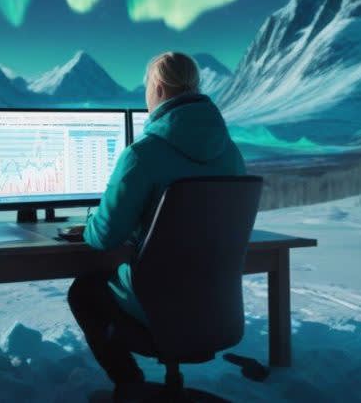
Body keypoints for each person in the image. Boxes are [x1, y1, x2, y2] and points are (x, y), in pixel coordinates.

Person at [66, 51, 246, 395]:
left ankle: (130, 384)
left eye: (147, 86)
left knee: (85, 292)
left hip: (156, 305)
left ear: (159, 87)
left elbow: (104, 237)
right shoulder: (232, 153)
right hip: (216, 306)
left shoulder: (143, 154)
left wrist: (91, 221)